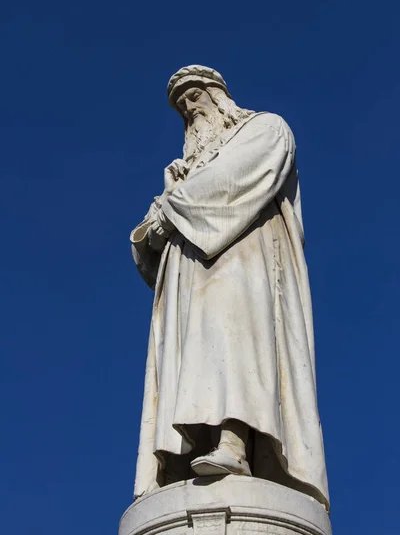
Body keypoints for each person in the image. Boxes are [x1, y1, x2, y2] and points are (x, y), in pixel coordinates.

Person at [130, 65, 329, 509]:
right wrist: (161, 218)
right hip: (190, 279)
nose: (189, 110)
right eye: (182, 107)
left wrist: (174, 205)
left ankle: (235, 444)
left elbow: (232, 183)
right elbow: (149, 239)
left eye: (195, 98)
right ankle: (189, 455)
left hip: (243, 264)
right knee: (191, 360)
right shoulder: (181, 175)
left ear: (219, 96)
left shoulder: (265, 129)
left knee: (236, 348)